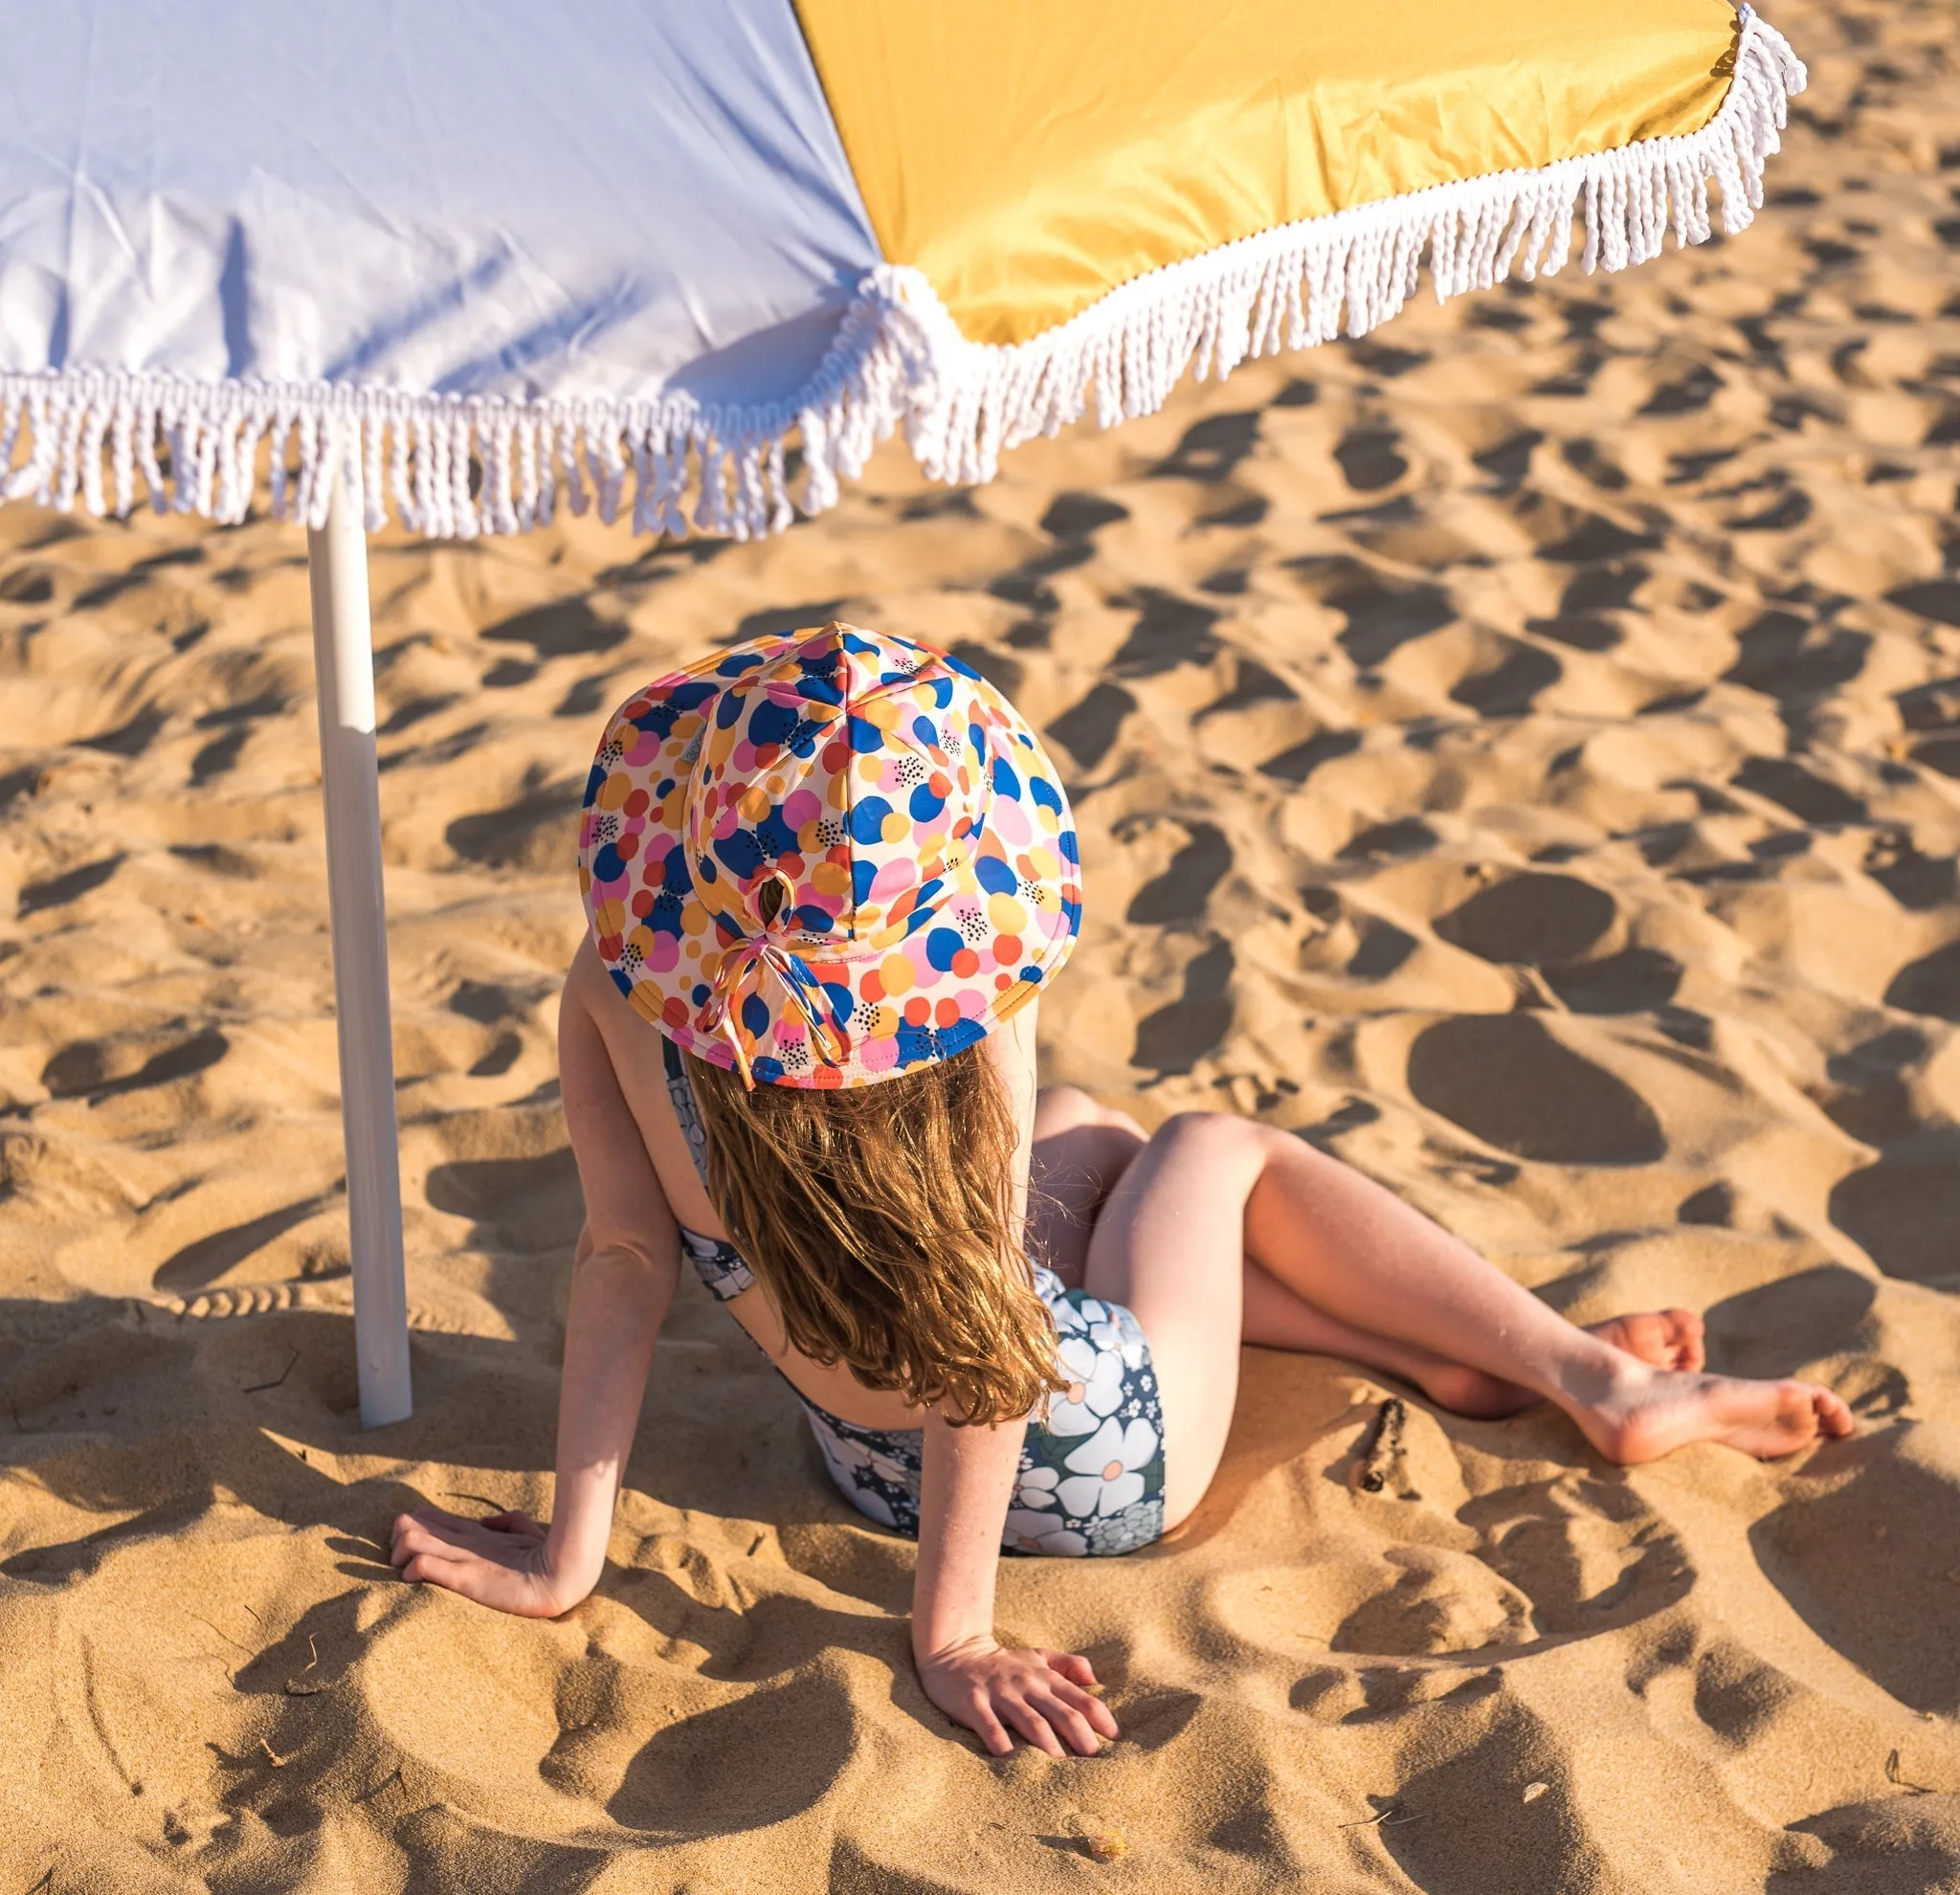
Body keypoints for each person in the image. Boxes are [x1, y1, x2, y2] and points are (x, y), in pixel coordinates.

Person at [390, 623, 1854, 1758]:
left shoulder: (616, 985)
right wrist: (954, 1641)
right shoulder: (965, 1010)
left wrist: (571, 1555)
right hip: (1101, 1458)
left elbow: (623, 1268)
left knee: (1091, 1140)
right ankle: (1588, 1376)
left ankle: (1409, 1345)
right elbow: (988, 1342)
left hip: (865, 1460)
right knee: (1214, 1145)